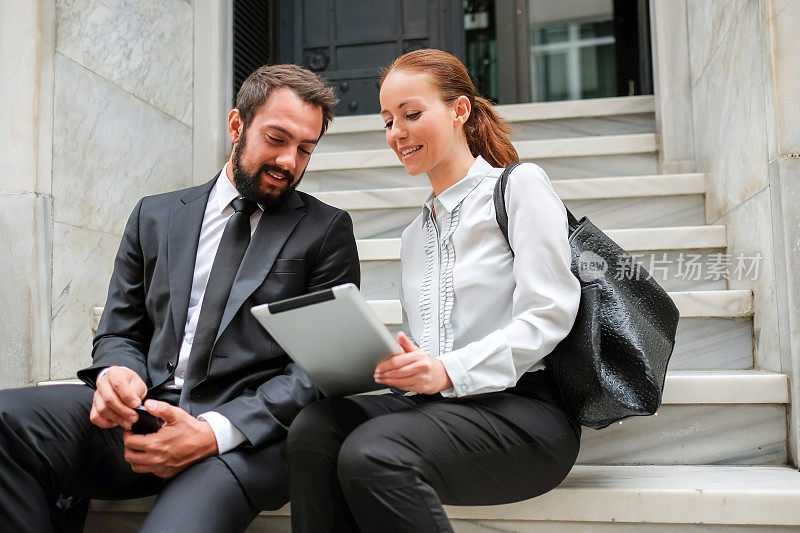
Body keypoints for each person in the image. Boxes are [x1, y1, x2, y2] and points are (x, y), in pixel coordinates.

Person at [0, 64, 360, 532]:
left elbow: (319, 368)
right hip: (141, 415)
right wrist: (119, 372)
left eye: (305, 150)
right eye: (277, 139)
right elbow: (120, 328)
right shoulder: (156, 214)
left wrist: (213, 432)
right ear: (237, 125)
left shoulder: (326, 230)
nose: (290, 162)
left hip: (240, 437)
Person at [288, 49, 582, 532]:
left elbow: (549, 315)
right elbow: (427, 350)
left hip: (526, 413)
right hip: (440, 409)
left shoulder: (518, 187)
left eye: (411, 114)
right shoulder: (414, 234)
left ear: (459, 110)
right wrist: (398, 365)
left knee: (371, 453)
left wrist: (446, 370)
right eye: (387, 121)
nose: (396, 133)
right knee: (315, 429)